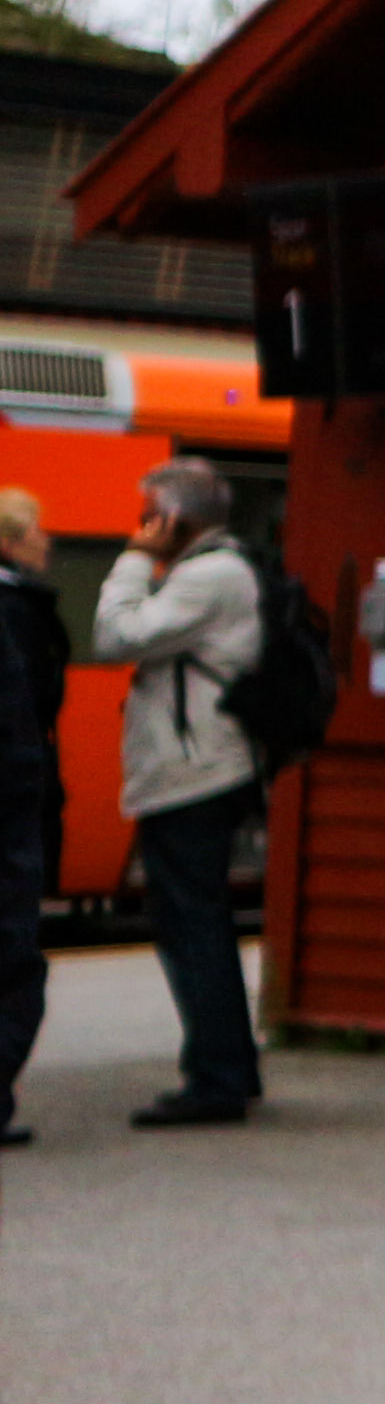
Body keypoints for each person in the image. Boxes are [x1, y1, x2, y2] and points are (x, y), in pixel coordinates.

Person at [99, 460, 263, 1130]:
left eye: (149, 515)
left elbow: (116, 636)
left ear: (172, 518)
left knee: (192, 929)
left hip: (193, 776)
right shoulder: (223, 569)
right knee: (198, 924)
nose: (142, 526)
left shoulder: (208, 576)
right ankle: (228, 1068)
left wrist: (135, 560)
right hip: (202, 769)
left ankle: (216, 1080)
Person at [0, 491, 64, 1148]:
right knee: (15, 964)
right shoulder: (17, 612)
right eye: (37, 530)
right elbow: (26, 724)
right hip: (9, 816)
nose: (49, 540)